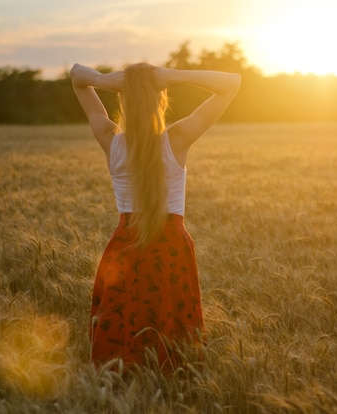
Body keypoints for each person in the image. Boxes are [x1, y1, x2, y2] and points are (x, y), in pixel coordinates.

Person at [70, 62, 241, 370]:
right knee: (174, 340)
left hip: (125, 247)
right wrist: (169, 77)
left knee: (122, 336)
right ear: (161, 100)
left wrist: (110, 81)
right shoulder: (177, 139)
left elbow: (77, 77)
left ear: (122, 100)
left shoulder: (111, 140)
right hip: (171, 248)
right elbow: (232, 82)